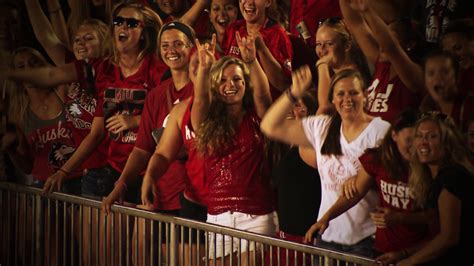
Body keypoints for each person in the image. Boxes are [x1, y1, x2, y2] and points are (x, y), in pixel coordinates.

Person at [261, 67, 390, 257]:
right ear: (332, 99)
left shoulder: (381, 129)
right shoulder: (322, 126)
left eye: (353, 92)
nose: (347, 99)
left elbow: (389, 177)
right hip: (326, 236)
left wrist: (361, 178)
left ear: (365, 96)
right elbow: (269, 126)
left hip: (365, 240)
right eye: (340, 93)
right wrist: (294, 93)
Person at [306, 109, 432, 264]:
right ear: (394, 136)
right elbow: (356, 192)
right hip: (381, 252)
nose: (415, 147)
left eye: (419, 139)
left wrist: (400, 220)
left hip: (418, 255)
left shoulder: (432, 169)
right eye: (409, 141)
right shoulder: (379, 159)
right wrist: (326, 218)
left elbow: (439, 225)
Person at [192, 31, 276, 263]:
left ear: (245, 83)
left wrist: (251, 61)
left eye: (237, 79)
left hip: (257, 215)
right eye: (223, 80)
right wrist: (204, 69)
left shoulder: (258, 117)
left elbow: (263, 92)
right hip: (218, 217)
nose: (231, 85)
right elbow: (199, 100)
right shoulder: (207, 121)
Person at [397, 112, 474, 265]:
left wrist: (409, 262)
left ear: (446, 143)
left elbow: (448, 238)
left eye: (432, 137)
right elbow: (438, 237)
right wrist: (402, 254)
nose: (423, 142)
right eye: (419, 136)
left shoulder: (452, 177)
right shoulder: (436, 177)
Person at [340, 0, 425, 124]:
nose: (380, 40)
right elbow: (356, 24)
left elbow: (392, 48)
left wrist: (367, 11)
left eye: (390, 35)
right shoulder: (382, 63)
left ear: (410, 44)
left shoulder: (416, 74)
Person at [269, 90, 320, 265]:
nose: (291, 110)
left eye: (297, 105)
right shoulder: (285, 147)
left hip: (304, 243)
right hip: (284, 240)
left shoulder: (311, 144)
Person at [221, 0, 293, 93]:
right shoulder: (234, 29)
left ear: (268, 2)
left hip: (268, 105)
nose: (249, 2)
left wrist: (261, 49)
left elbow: (283, 85)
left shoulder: (278, 35)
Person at [314, 16, 369, 115]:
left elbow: (325, 108)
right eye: (318, 44)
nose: (322, 49)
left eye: (329, 43)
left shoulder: (352, 76)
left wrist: (322, 65)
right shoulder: (333, 74)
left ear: (347, 45)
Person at [420, 49, 474, 131]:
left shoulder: (470, 106)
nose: (437, 79)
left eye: (445, 72)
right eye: (431, 73)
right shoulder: (426, 108)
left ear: (457, 76)